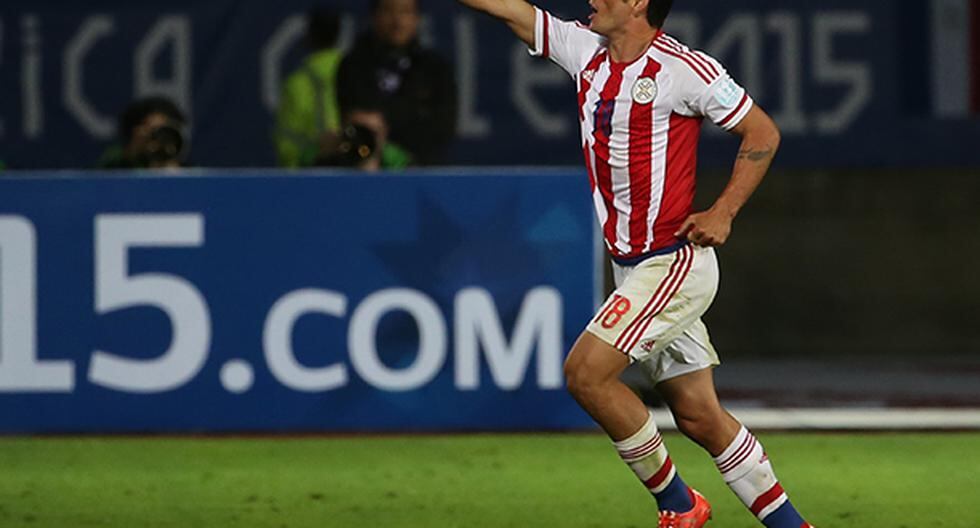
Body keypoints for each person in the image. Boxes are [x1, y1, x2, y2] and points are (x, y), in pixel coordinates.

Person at [453, 1, 815, 527]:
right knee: (697, 415)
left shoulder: (685, 69)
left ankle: (679, 503)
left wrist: (724, 210)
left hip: (672, 264)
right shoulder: (585, 51)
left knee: (585, 375)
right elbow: (513, 11)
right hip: (635, 269)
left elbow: (762, 133)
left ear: (640, 2)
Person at [337, 0, 457, 165]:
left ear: (417, 18)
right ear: (374, 16)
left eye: (405, 12)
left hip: (421, 172)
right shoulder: (353, 65)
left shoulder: (435, 69)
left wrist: (385, 125)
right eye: (388, 11)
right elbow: (351, 120)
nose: (397, 21)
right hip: (365, 171)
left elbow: (443, 127)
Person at [275, 8, 345, 167]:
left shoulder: (296, 84)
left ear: (309, 37)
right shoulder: (357, 74)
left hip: (306, 182)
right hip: (358, 178)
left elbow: (287, 148)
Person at [98, 96, 187, 169]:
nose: (160, 140)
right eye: (153, 133)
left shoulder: (190, 172)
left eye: (165, 133)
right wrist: (131, 155)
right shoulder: (116, 160)